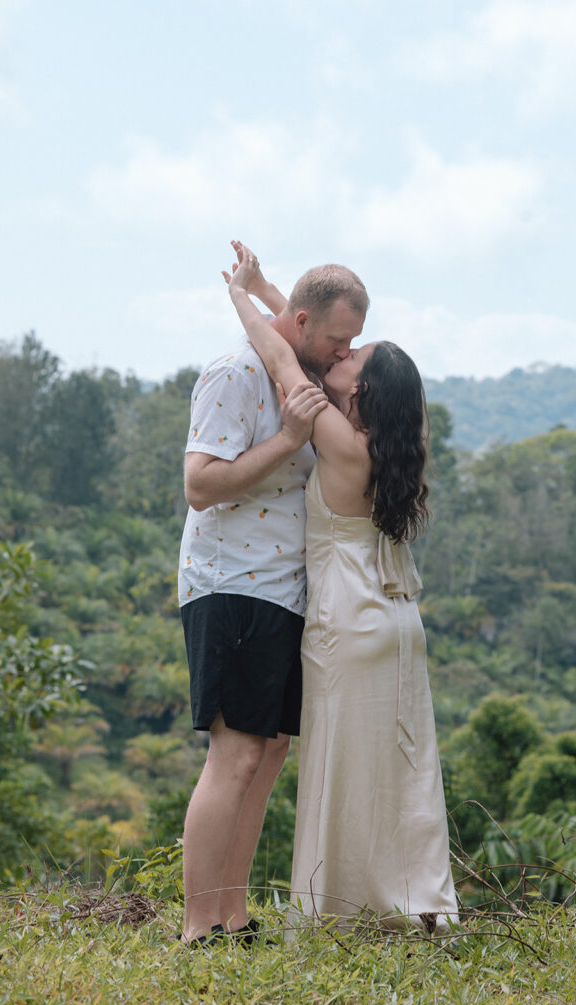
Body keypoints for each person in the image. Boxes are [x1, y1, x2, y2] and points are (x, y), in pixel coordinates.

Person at [225, 241, 458, 934]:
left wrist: (240, 296)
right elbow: (306, 342)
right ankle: (412, 902)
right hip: (398, 627)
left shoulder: (338, 440)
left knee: (342, 775)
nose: (338, 356)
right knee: (401, 771)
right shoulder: (389, 450)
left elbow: (280, 357)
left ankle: (340, 915)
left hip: (348, 624)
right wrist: (277, 292)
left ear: (357, 392)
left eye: (352, 357)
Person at [177, 256, 369, 945]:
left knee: (269, 749)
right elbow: (200, 485)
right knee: (234, 753)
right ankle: (200, 927)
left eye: (352, 344)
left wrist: (257, 289)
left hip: (286, 589)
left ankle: (233, 914)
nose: (343, 355)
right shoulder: (234, 373)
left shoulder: (304, 371)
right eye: (335, 342)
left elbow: (306, 322)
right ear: (298, 324)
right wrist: (289, 439)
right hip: (230, 582)